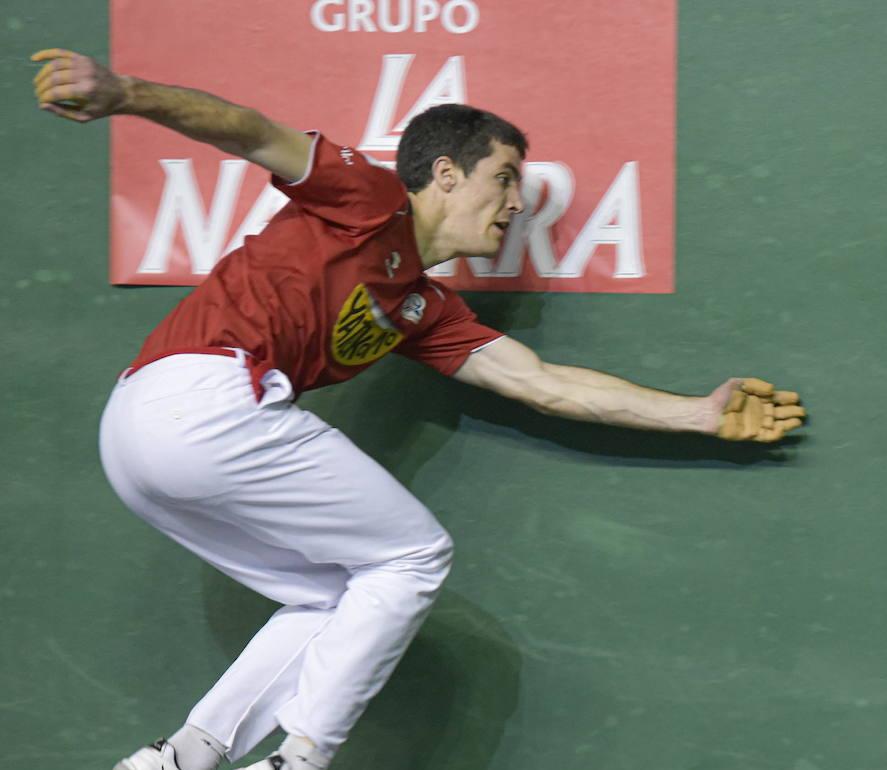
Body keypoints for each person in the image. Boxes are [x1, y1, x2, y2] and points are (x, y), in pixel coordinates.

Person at [31, 48, 806, 770]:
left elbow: (545, 384)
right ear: (444, 173)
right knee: (412, 556)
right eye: (503, 179)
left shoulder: (420, 309)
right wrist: (124, 95)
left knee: (336, 595)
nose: (514, 206)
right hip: (205, 397)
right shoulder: (365, 197)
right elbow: (252, 132)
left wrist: (698, 414)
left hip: (138, 431)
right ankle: (299, 758)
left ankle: (183, 757)